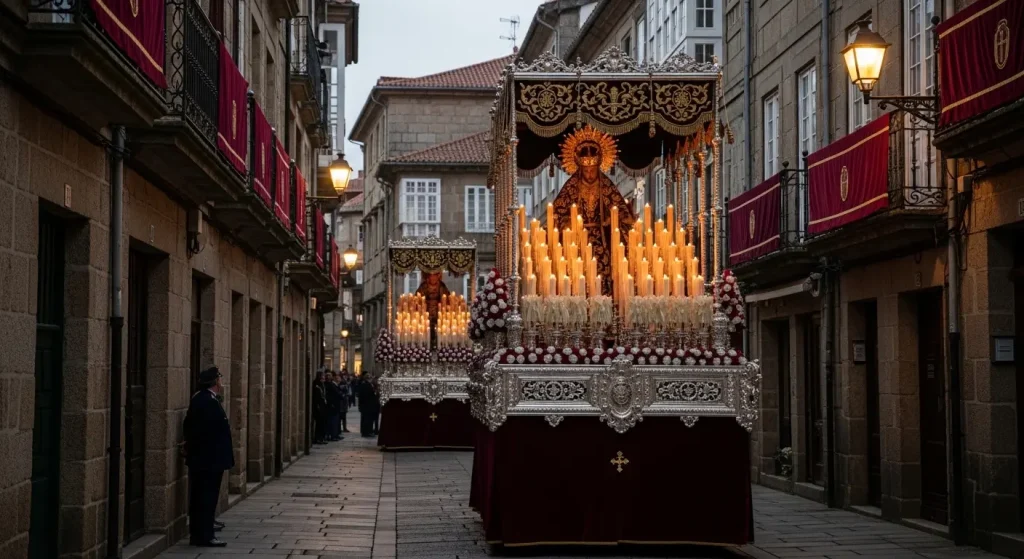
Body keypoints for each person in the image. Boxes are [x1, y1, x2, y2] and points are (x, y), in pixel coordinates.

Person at [551, 125, 637, 294]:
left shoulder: (606, 186)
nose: (590, 174)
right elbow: (556, 213)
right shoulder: (572, 187)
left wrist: (612, 219)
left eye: (592, 170)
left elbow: (623, 213)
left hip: (603, 240)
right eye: (586, 170)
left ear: (598, 166)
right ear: (580, 168)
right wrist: (567, 223)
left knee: (605, 273)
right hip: (575, 241)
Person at [183, 366, 233, 548]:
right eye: (219, 379)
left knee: (203, 497)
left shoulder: (204, 399)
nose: (221, 382)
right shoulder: (207, 401)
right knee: (206, 498)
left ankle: (200, 533)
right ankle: (205, 536)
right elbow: (205, 431)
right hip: (208, 460)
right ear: (215, 382)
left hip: (205, 459)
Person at [325, 371, 343, 441]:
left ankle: (335, 435)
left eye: (329, 376)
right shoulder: (330, 385)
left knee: (335, 422)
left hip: (336, 406)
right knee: (332, 422)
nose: (328, 377)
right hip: (332, 406)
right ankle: (333, 435)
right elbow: (333, 395)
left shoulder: (332, 385)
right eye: (327, 376)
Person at [312, 370, 328, 444]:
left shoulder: (322, 384)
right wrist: (318, 406)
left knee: (322, 424)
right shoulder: (316, 384)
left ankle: (322, 438)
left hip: (323, 406)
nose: (324, 377)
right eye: (322, 376)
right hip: (319, 407)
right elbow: (316, 396)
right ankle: (318, 438)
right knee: (319, 424)